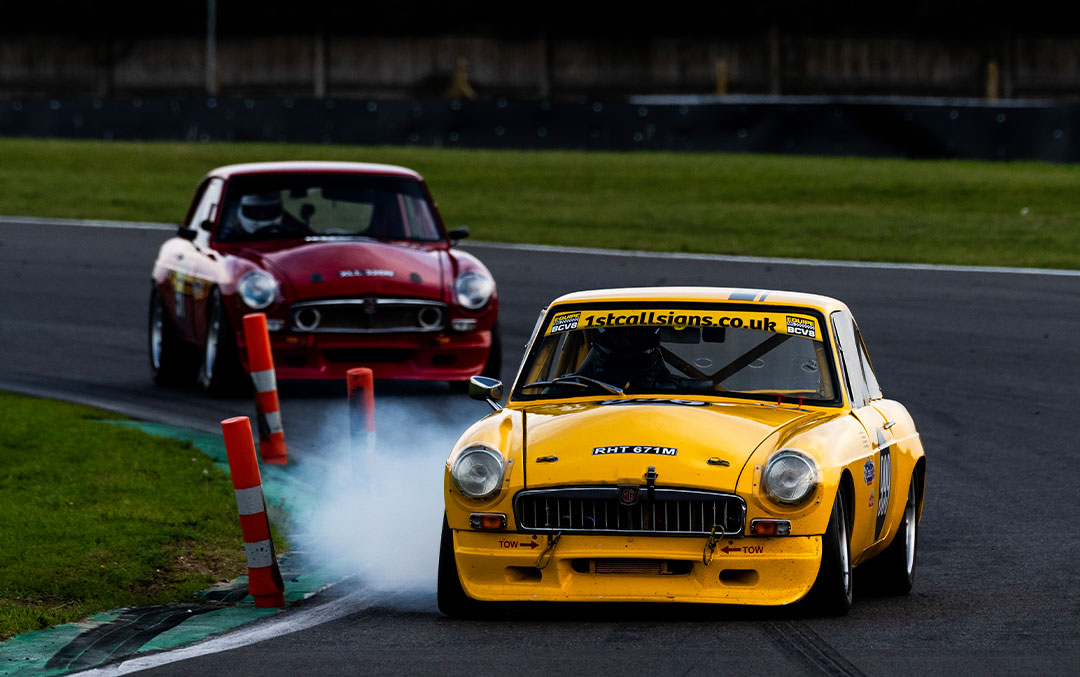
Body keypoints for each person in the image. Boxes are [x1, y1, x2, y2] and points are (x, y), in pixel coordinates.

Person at [576, 326, 677, 392]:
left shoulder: (677, 387)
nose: (628, 344)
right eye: (619, 338)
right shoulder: (571, 386)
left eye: (636, 338)